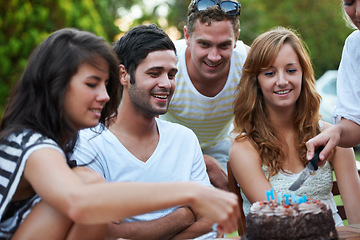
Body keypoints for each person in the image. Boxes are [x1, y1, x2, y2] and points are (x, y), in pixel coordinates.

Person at [0, 28, 240, 240]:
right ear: (57, 85)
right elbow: (80, 203)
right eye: (92, 84)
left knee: (87, 181)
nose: (105, 96)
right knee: (87, 187)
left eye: (105, 85)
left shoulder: (56, 143)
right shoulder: (30, 144)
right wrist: (190, 194)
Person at [71, 24, 222, 240]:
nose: (166, 84)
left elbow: (210, 220)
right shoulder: (90, 142)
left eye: (171, 74)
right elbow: (103, 233)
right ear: (124, 74)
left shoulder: (184, 139)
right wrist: (181, 217)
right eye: (154, 73)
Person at [229, 27, 360, 226]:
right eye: (270, 73)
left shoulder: (333, 137)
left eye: (291, 70)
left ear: (303, 75)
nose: (282, 81)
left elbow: (358, 220)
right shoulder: (244, 148)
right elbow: (278, 221)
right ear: (256, 81)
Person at [159, 0, 250, 190]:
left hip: (220, 146)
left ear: (236, 39)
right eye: (204, 44)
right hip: (168, 148)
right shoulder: (167, 62)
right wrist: (203, 162)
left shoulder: (247, 63)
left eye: (224, 45)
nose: (214, 56)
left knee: (233, 200)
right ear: (187, 36)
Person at [306, 0, 360, 161]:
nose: (357, 12)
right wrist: (338, 132)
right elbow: (354, 123)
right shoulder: (354, 46)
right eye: (349, 2)